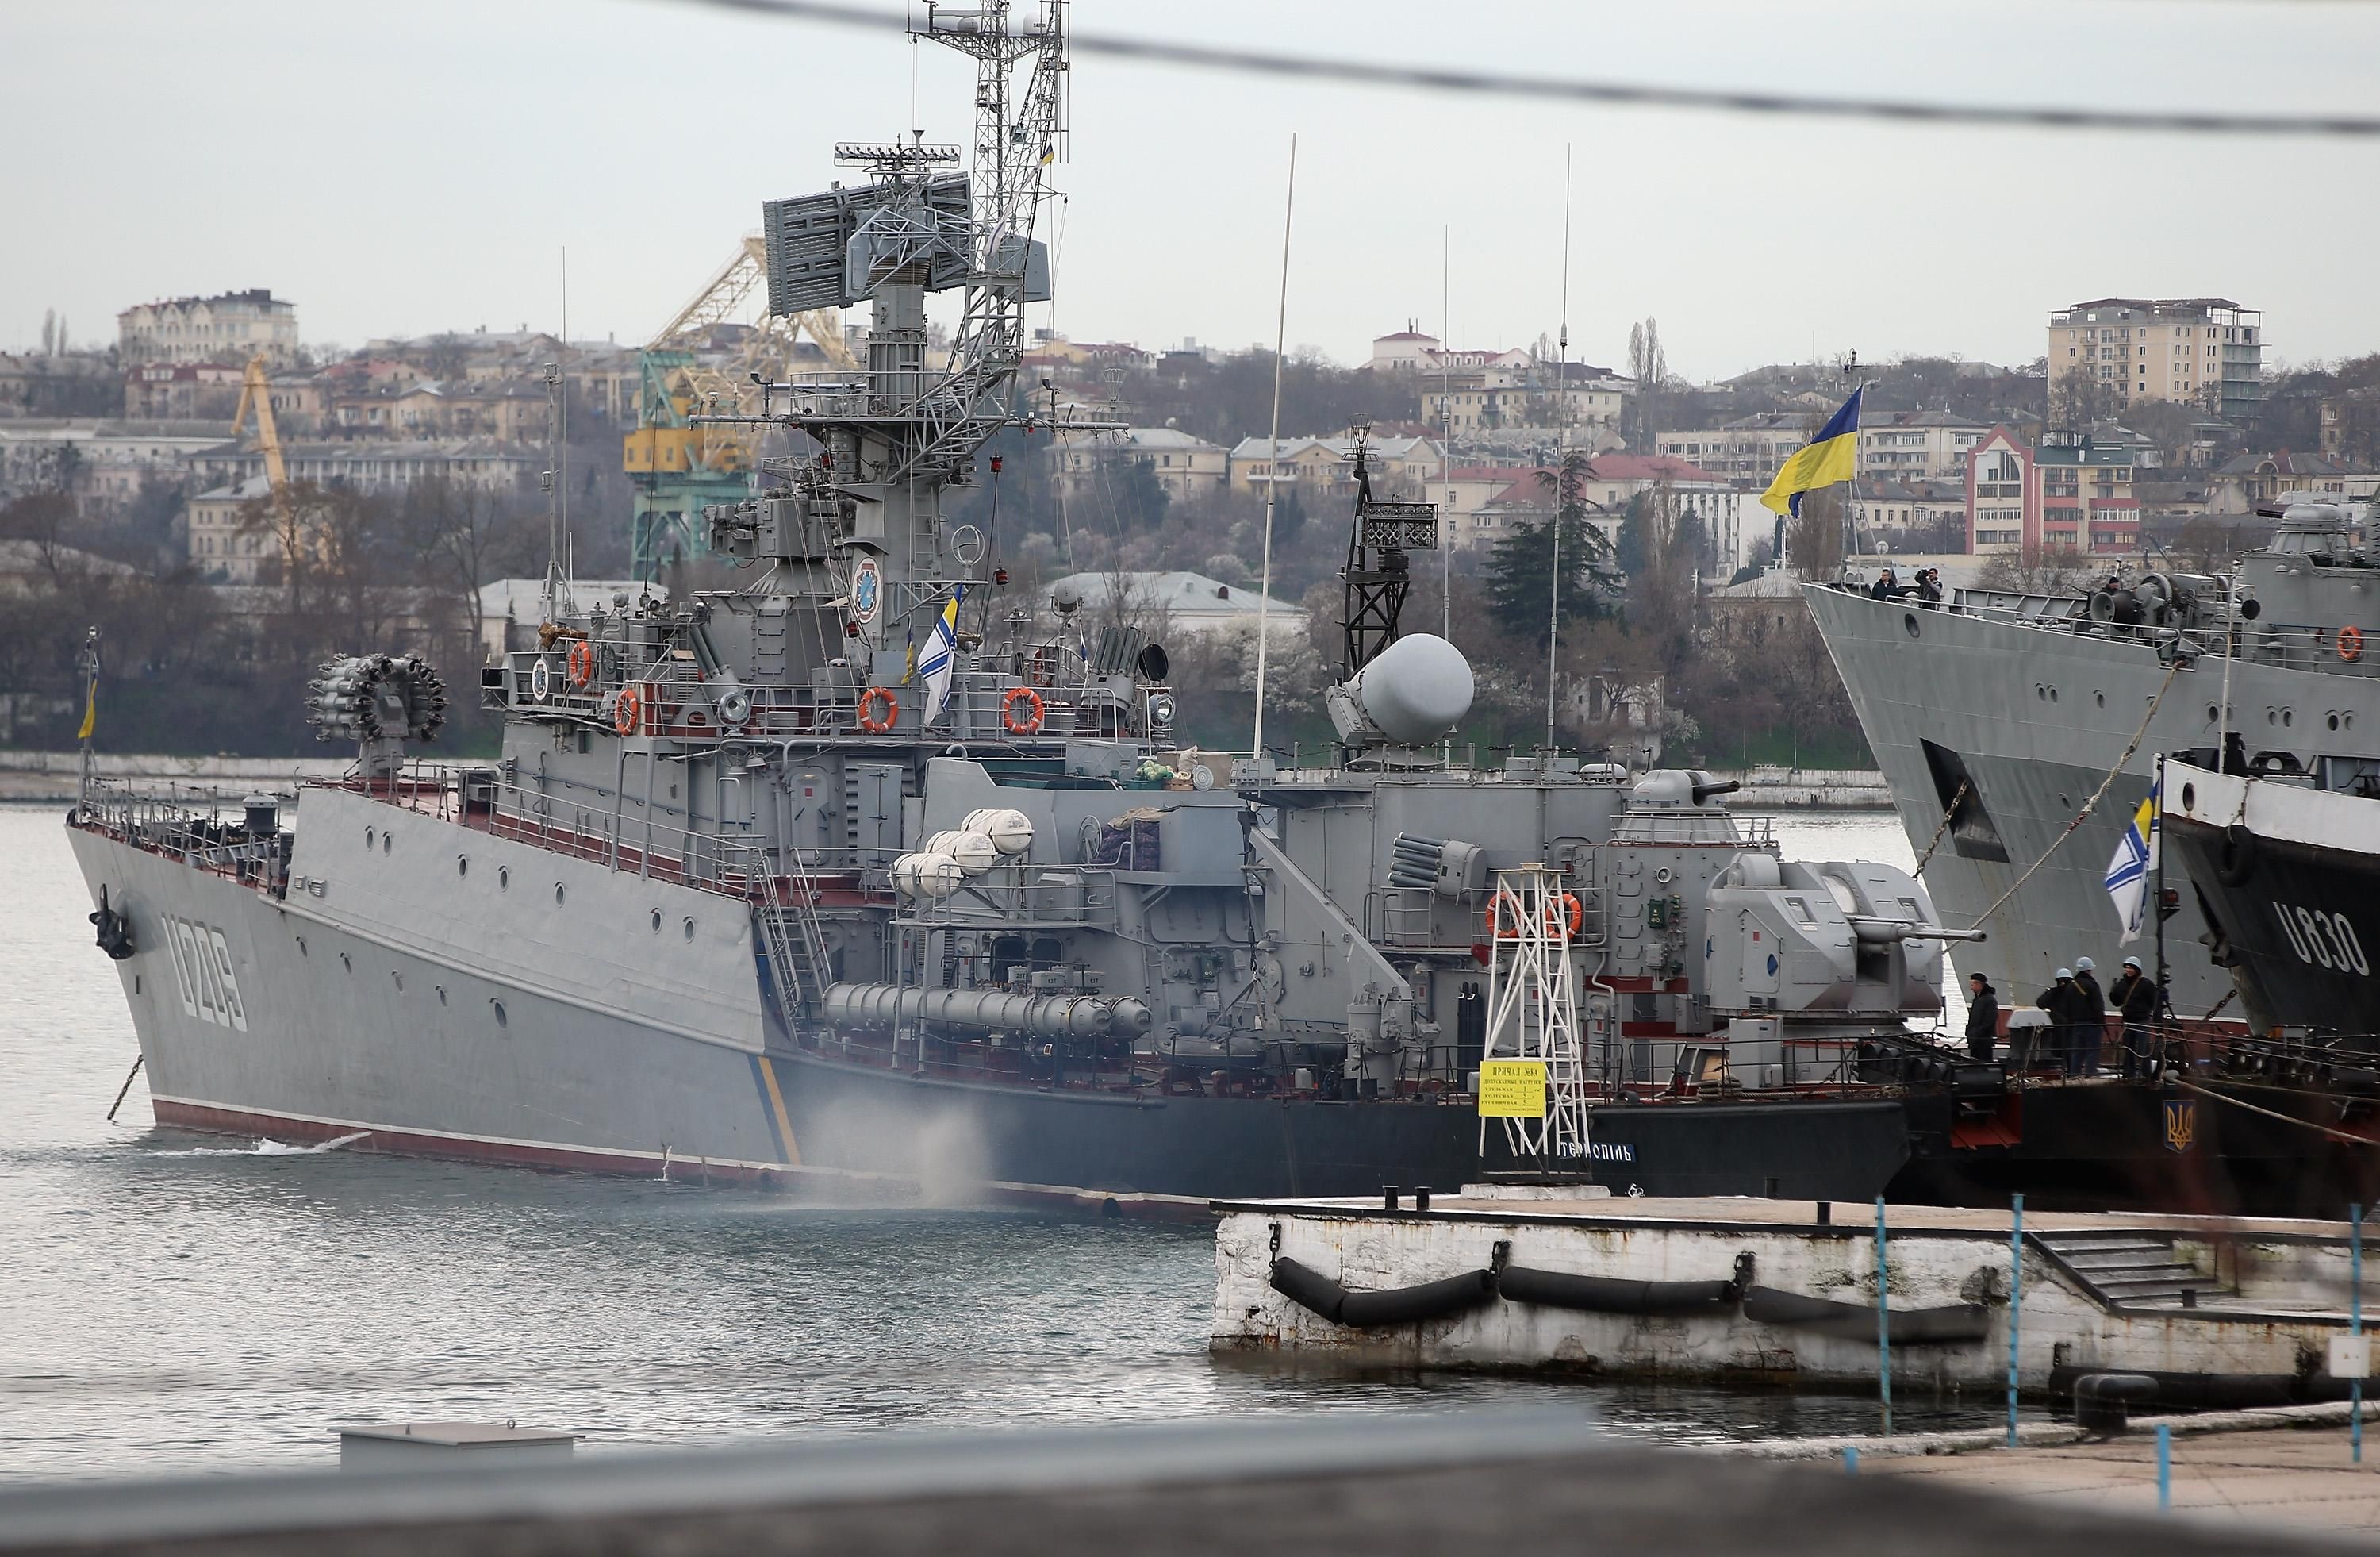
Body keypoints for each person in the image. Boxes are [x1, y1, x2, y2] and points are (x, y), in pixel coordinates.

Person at [2109, 955, 2159, 1079]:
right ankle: (2129, 1073)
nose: (2128, 970)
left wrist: (2144, 1011)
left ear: (2137, 969)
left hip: (2142, 1020)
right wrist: (2113, 992)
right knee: (2129, 1048)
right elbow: (2117, 1002)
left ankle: (2145, 1073)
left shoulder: (2146, 984)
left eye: (2131, 968)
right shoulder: (2122, 984)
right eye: (2126, 967)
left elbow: (2153, 1001)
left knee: (2143, 1048)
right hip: (2128, 1022)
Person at [2034, 967, 2079, 1075]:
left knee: (2060, 1053)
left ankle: (2063, 1073)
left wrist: (2049, 993)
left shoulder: (2054, 993)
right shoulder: (2076, 994)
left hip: (2057, 1029)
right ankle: (2072, 1074)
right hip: (2073, 1028)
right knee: (2073, 1053)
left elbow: (2040, 1003)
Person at [2070, 955, 2107, 1077]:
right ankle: (2090, 1075)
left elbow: (2067, 1005)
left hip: (2077, 1023)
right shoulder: (2092, 985)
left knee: (2077, 1052)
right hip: (2092, 1024)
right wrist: (2102, 1022)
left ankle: (2074, 1075)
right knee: (2092, 1051)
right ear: (2089, 970)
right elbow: (2098, 1005)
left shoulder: (2072, 985)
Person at [1964, 972, 1999, 1063]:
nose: (1971, 987)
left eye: (1972, 985)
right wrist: (1969, 1032)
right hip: (1974, 1039)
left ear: (1979, 984)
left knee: (1984, 1062)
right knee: (1974, 1061)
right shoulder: (1977, 999)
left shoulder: (1989, 1000)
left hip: (1983, 1040)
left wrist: (1977, 1033)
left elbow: (1990, 1020)